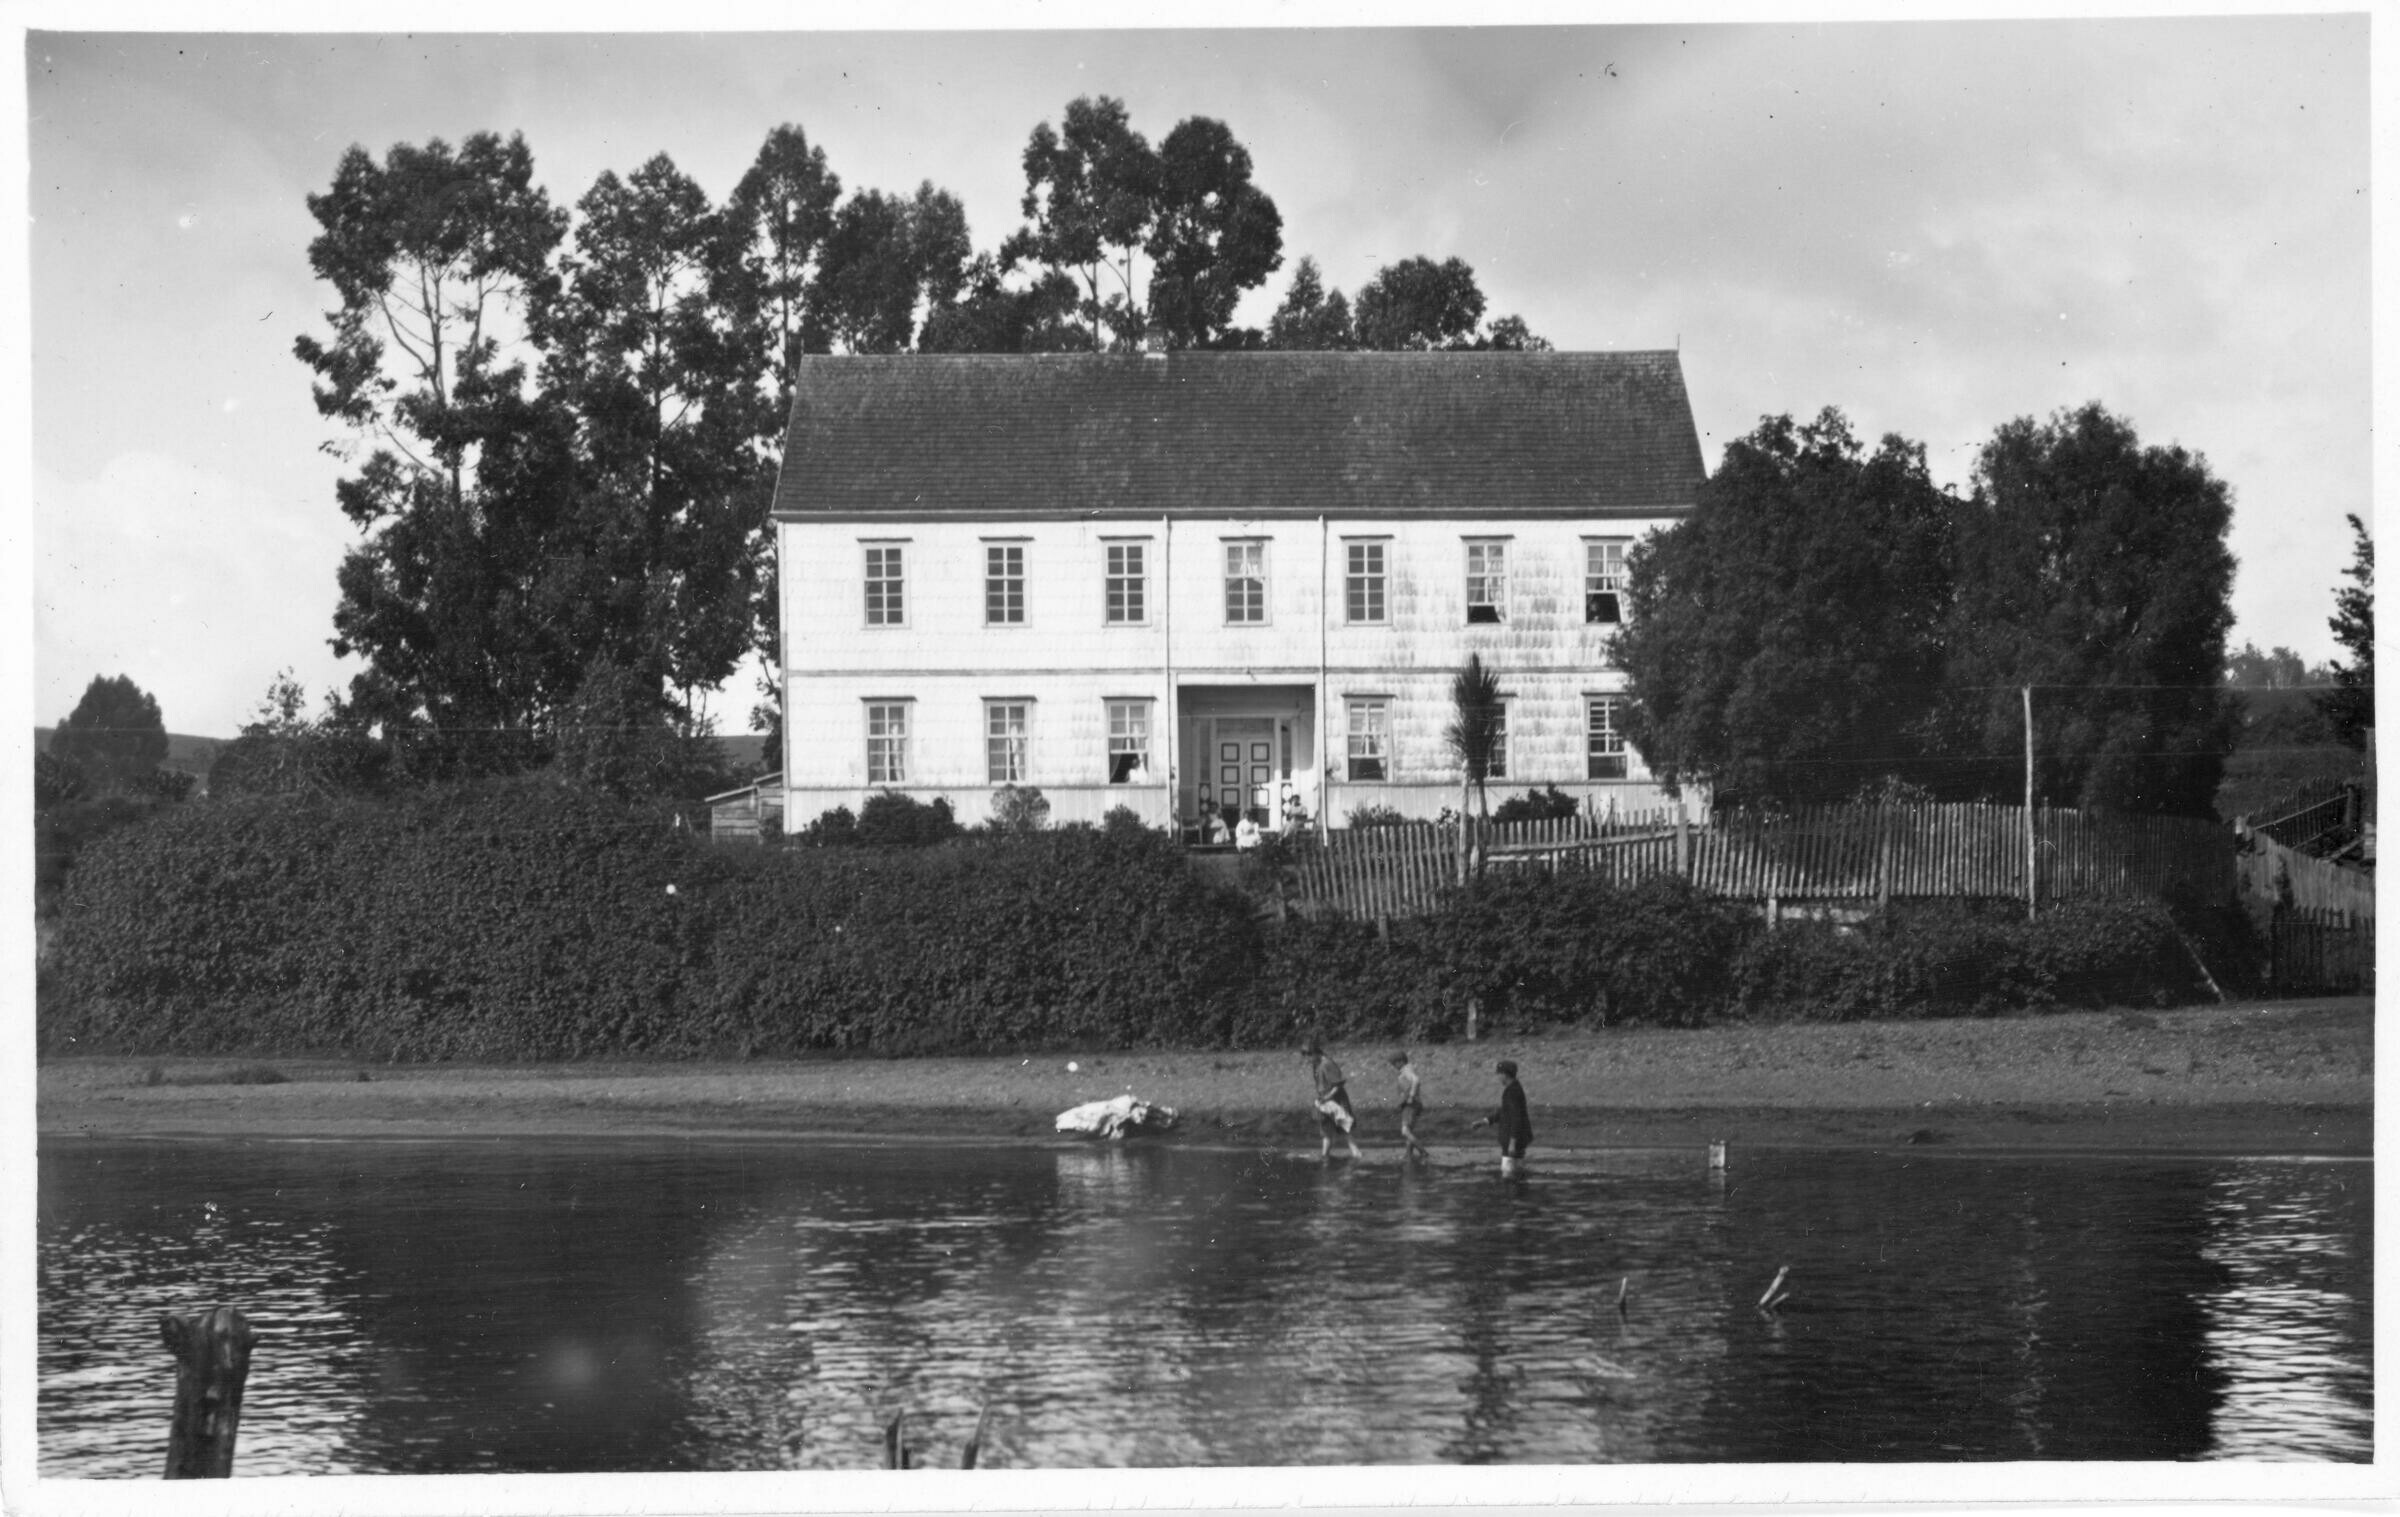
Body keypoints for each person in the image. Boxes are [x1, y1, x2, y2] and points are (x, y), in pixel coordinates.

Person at [1302, 1039, 1364, 1161]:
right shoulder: (1316, 1064)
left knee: (1345, 1128)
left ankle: (1357, 1154)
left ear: (1315, 1053)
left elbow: (1338, 1085)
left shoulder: (1327, 1064)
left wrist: (1327, 1097)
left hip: (1336, 1100)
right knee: (1326, 1130)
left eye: (1308, 1056)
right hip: (1325, 1102)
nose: (1307, 1060)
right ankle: (1325, 1155)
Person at [1486, 1059, 1533, 1176]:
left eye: (1499, 1074)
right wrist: (1487, 1120)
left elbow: (1516, 1117)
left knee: (1508, 1175)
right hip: (1519, 1139)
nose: (1498, 1077)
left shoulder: (1512, 1092)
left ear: (1505, 1074)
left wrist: (1512, 1142)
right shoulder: (1514, 1088)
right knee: (1518, 1174)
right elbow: (1506, 1112)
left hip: (1512, 1141)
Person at [1390, 1050, 1429, 1162]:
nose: (1394, 1067)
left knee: (1405, 1131)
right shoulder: (1409, 1068)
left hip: (1411, 1104)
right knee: (1410, 1131)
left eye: (1394, 1064)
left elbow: (1416, 1080)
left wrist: (1411, 1095)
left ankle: (1423, 1152)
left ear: (1400, 1061)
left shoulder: (1406, 1069)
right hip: (1414, 1104)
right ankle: (1408, 1155)